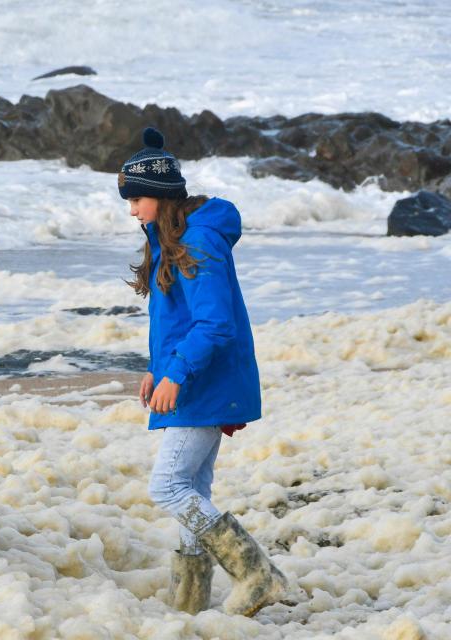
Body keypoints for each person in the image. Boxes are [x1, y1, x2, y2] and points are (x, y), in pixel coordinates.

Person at [119, 127, 287, 616]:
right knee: (193, 489)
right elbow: (179, 322)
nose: (131, 210)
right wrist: (158, 369)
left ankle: (256, 573)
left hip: (205, 383)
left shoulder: (198, 243)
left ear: (164, 195)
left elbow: (215, 324)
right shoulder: (170, 238)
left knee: (167, 487)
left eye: (138, 199)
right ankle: (190, 603)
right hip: (195, 379)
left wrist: (178, 375)